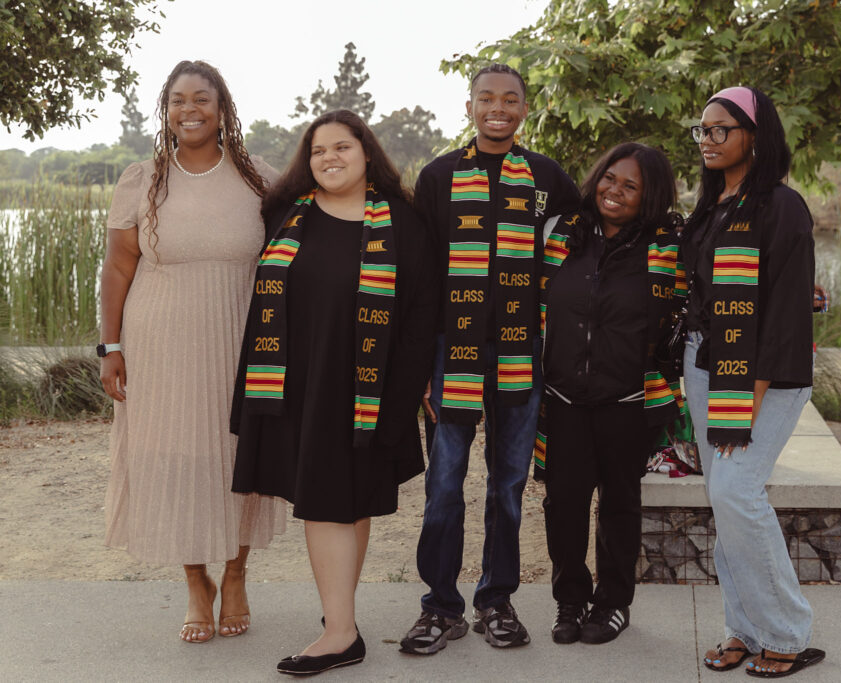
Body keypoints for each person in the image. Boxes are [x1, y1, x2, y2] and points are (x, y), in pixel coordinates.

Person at [230, 109, 438, 676]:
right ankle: (340, 621)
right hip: (299, 383)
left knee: (342, 502)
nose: (329, 158)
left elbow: (422, 315)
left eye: (341, 147)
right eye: (318, 150)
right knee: (336, 503)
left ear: (366, 153)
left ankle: (340, 632)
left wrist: (402, 395)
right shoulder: (286, 214)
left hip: (368, 388)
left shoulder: (403, 223)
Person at [99, 60, 287, 644]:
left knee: (238, 457)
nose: (190, 110)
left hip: (240, 338)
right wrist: (110, 346)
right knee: (176, 456)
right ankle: (194, 582)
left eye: (202, 98)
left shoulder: (260, 178)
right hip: (160, 343)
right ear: (167, 110)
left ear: (222, 108)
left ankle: (236, 575)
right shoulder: (142, 179)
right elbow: (118, 267)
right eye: (178, 99)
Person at [400, 63, 579, 655]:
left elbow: (576, 254)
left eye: (509, 99)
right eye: (486, 98)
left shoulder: (548, 178)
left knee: (508, 487)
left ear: (525, 108)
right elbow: (422, 275)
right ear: (470, 106)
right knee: (444, 486)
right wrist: (422, 366)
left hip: (521, 353)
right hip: (452, 351)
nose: (497, 108)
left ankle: (495, 601)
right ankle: (440, 605)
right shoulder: (439, 176)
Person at [681, 86, 826, 677]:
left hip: (762, 374)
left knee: (736, 493)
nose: (709, 139)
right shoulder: (710, 206)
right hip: (703, 363)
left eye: (722, 129)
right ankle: (742, 628)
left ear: (755, 137)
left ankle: (786, 631)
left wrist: (749, 395)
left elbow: (788, 308)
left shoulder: (782, 206)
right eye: (703, 129)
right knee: (724, 500)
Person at [536, 142, 686, 645]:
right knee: (564, 504)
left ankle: (613, 603)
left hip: (629, 401)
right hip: (563, 399)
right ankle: (570, 600)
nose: (614, 191)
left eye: (630, 186)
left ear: (650, 196)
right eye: (609, 178)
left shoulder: (669, 247)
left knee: (620, 504)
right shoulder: (561, 234)